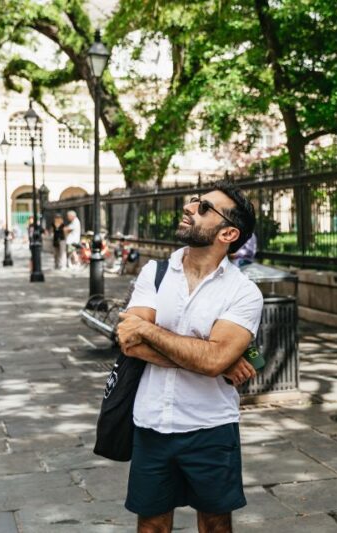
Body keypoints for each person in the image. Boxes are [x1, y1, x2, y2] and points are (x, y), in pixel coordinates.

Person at [116, 181, 264, 533]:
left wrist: (150, 331)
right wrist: (213, 358)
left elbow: (210, 360)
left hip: (209, 427)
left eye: (203, 208)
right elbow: (128, 342)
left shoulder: (243, 292)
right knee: (151, 526)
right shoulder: (156, 272)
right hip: (151, 422)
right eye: (195, 200)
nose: (190, 207)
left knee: (215, 525)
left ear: (227, 232)